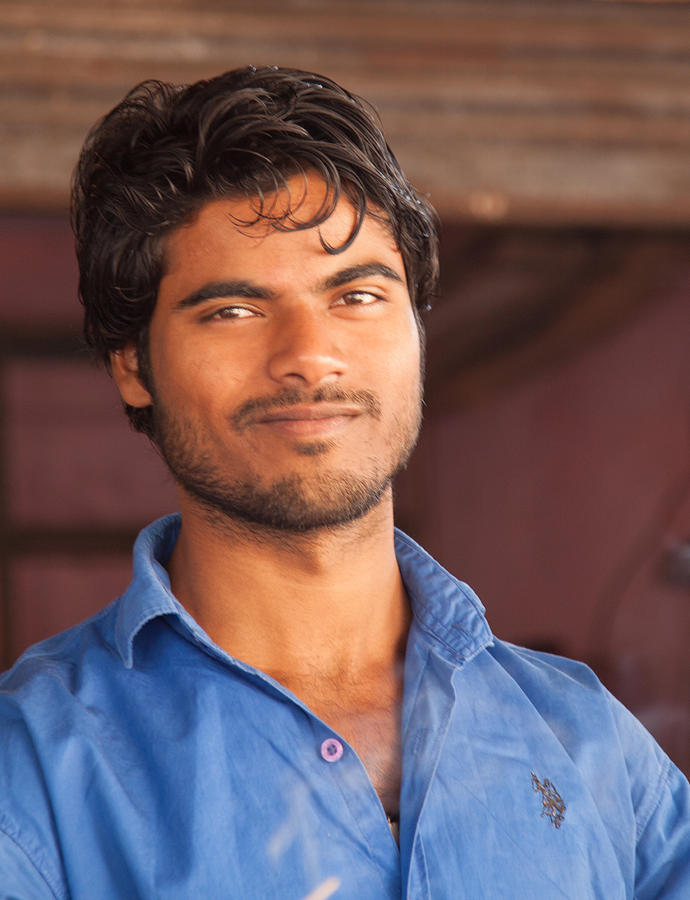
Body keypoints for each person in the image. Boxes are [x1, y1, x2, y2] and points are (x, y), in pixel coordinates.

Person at [0, 66, 688, 900]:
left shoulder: (586, 739)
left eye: (357, 294)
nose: (309, 355)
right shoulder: (31, 763)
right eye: (233, 310)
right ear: (132, 366)